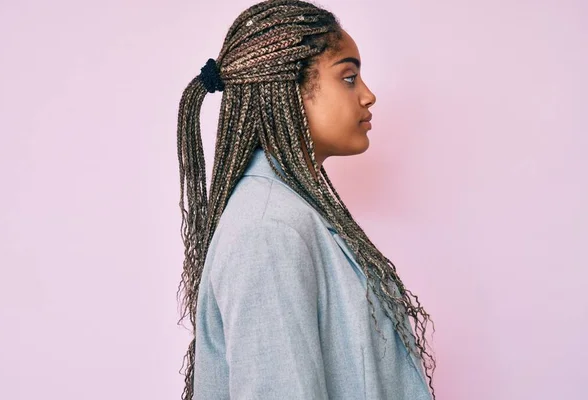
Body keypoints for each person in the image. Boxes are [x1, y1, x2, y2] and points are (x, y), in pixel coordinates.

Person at [175, 1, 436, 398]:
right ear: (288, 90)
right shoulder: (267, 231)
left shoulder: (290, 211)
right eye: (348, 78)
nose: (369, 96)